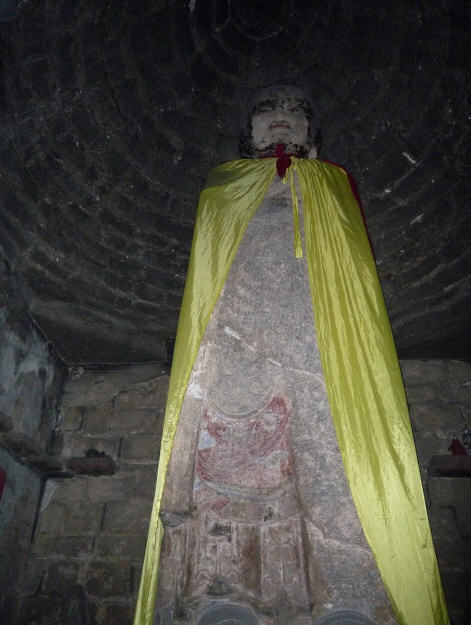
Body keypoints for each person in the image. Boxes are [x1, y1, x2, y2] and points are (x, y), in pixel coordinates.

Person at [134, 86, 449, 625]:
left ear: (312, 134)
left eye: (295, 112)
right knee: (228, 455)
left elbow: (350, 272)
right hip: (235, 339)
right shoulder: (223, 186)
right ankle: (222, 594)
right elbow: (208, 276)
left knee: (333, 457)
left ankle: (348, 596)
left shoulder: (330, 183)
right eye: (266, 111)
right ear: (248, 132)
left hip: (318, 338)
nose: (281, 118)